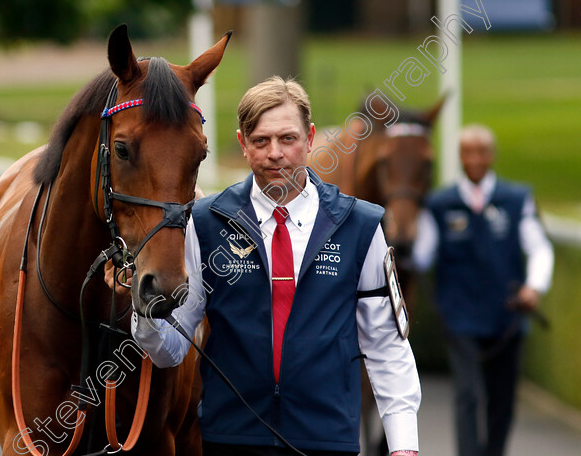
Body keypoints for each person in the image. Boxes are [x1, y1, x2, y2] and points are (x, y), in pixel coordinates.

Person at [127, 77, 421, 455]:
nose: (275, 153)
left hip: (326, 439)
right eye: (261, 141)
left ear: (310, 138)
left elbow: (386, 346)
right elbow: (169, 350)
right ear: (242, 145)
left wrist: (404, 446)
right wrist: (145, 310)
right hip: (231, 438)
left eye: (288, 139)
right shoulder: (205, 223)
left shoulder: (359, 225)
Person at [412, 124, 554, 456]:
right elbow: (421, 255)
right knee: (468, 393)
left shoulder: (516, 199)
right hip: (459, 313)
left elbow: (539, 248)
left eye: (481, 151)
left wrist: (534, 287)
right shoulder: (440, 204)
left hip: (506, 314)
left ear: (492, 155)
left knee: (502, 398)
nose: (475, 159)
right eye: (468, 152)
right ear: (460, 155)